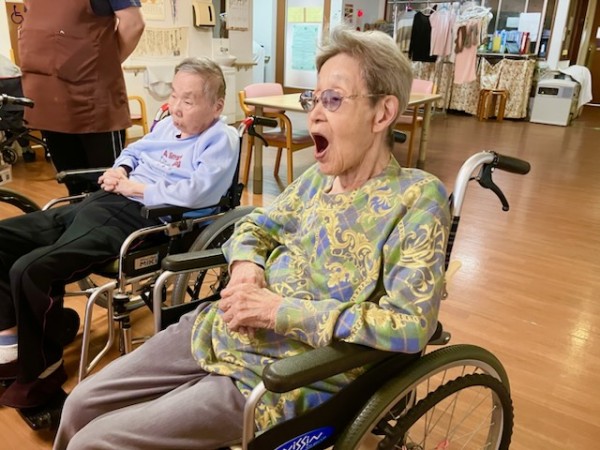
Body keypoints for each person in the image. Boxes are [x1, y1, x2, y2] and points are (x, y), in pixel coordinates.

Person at [54, 27, 451, 450]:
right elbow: (255, 226)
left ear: (382, 113)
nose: (314, 115)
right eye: (313, 99)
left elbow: (411, 327)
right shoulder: (317, 180)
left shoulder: (416, 198)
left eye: (333, 100)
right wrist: (246, 268)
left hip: (282, 375)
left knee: (93, 443)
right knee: (79, 404)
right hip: (219, 327)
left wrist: (278, 311)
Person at [0, 57, 239, 410]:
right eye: (174, 95)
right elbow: (134, 149)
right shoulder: (166, 125)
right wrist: (120, 169)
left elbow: (197, 193)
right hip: (104, 200)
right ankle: (13, 341)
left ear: (216, 106)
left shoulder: (221, 138)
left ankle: (42, 373)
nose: (175, 106)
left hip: (141, 218)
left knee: (32, 268)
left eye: (188, 100)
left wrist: (134, 187)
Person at [17, 0, 145, 194]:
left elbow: (133, 24)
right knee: (72, 181)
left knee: (107, 184)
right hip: (46, 97)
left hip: (91, 98)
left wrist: (104, 62)